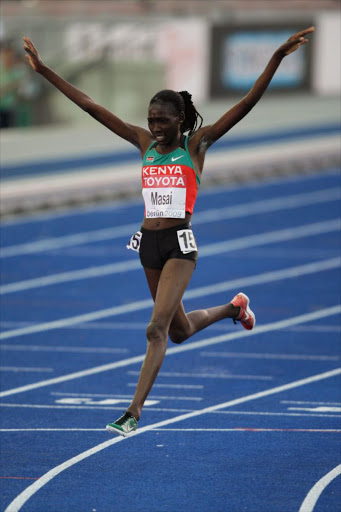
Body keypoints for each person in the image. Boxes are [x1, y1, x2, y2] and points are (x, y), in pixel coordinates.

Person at [23, 26, 314, 436]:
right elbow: (89, 105)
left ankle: (133, 412)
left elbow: (247, 102)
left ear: (180, 120)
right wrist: (43, 70)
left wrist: (276, 58)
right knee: (178, 331)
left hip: (179, 245)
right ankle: (235, 308)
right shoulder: (142, 142)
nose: (155, 127)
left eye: (162, 121)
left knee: (154, 328)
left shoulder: (197, 145)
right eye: (151, 120)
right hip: (148, 244)